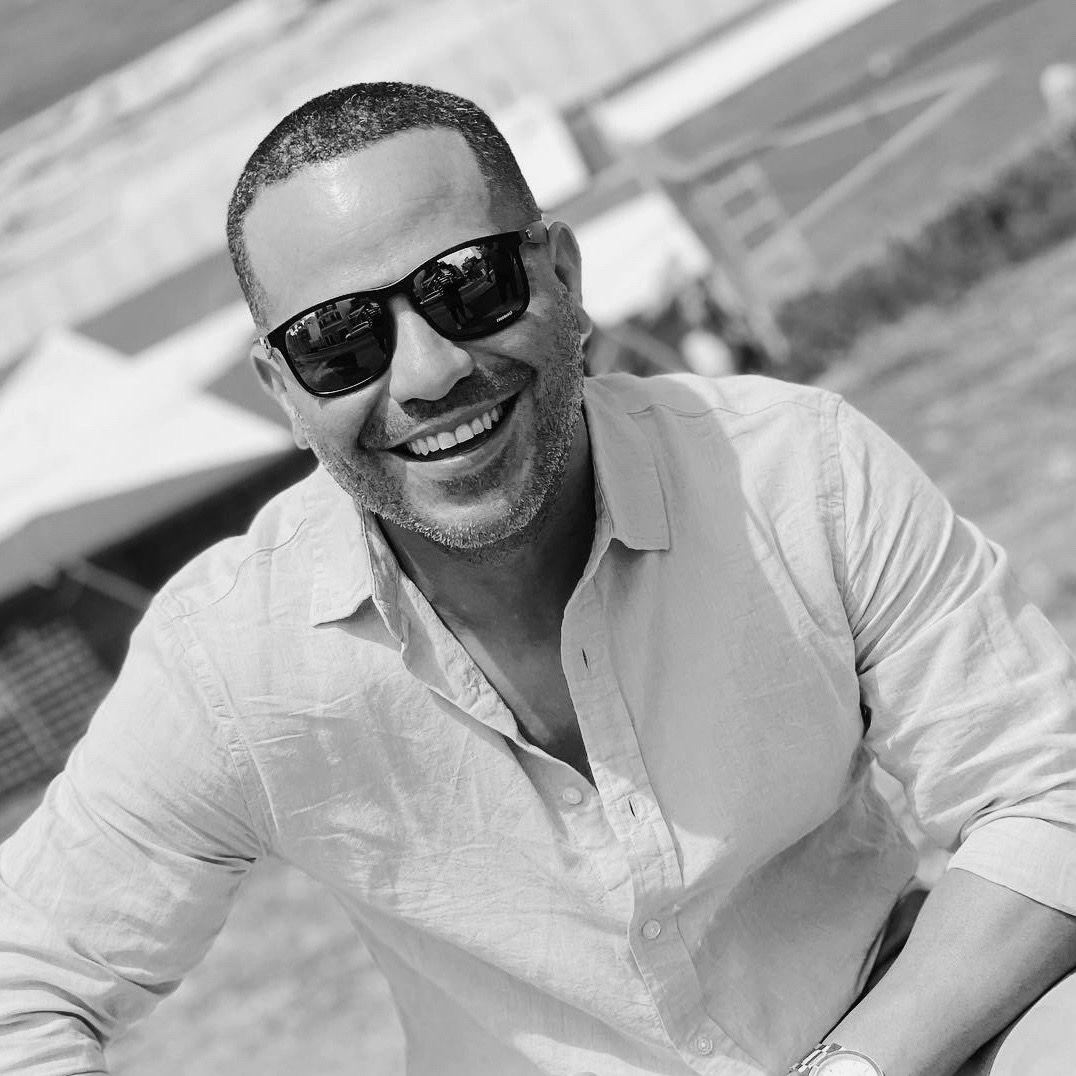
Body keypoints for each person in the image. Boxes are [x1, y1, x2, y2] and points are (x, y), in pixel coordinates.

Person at [2, 81, 1075, 1076]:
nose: (429, 373)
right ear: (283, 391)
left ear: (562, 274)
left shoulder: (797, 473)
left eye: (469, 285)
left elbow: (1046, 792)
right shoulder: (232, 661)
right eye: (338, 343)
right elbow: (21, 989)